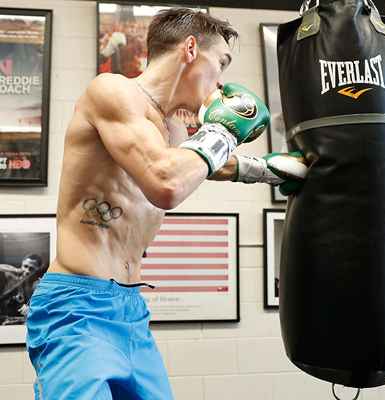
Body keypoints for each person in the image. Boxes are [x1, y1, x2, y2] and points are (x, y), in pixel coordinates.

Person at [25, 8, 306, 400]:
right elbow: (165, 182)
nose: (221, 81)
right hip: (77, 307)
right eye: (220, 62)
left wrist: (267, 170)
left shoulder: (173, 127)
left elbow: (198, 164)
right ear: (190, 49)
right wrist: (223, 132)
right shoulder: (112, 92)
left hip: (131, 309)